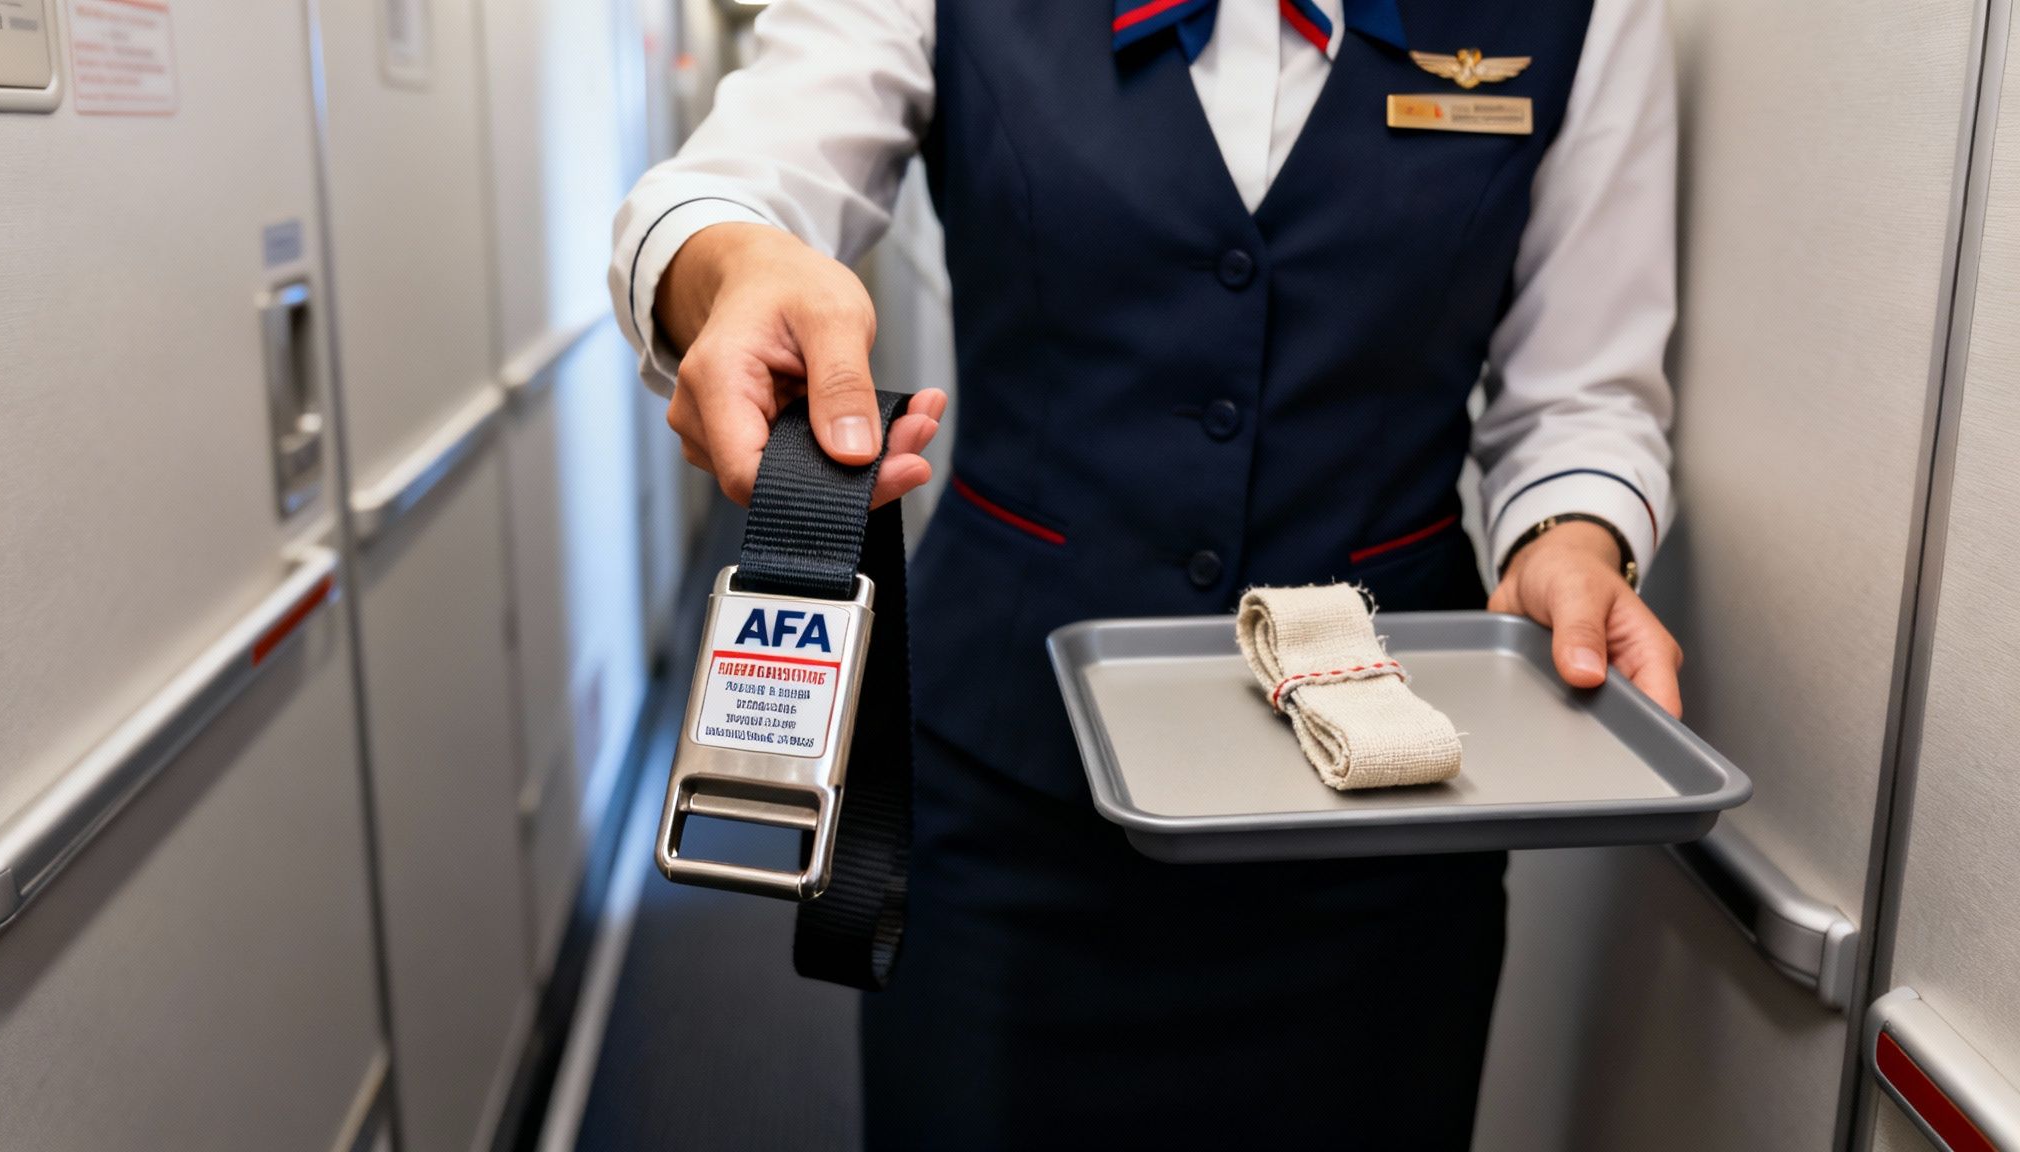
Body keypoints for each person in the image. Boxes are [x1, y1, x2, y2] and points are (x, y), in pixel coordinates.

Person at [610, 0, 1682, 1144]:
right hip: (1006, 811)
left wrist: (1570, 534)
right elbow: (731, 184)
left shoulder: (1586, 14)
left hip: (1387, 831)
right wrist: (733, 267)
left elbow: (1580, 392)